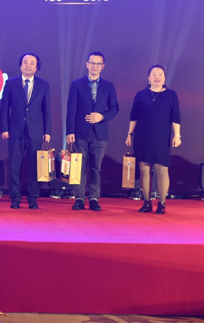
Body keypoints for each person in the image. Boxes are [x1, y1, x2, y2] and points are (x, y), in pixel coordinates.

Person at [66, 51, 119, 211]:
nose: (95, 66)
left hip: (100, 133)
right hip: (80, 132)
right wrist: (70, 131)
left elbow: (114, 108)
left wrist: (101, 117)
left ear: (103, 66)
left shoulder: (109, 86)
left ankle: (94, 198)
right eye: (92, 63)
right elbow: (71, 109)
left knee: (96, 168)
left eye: (98, 63)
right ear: (87, 65)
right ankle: (79, 198)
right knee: (79, 167)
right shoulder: (77, 84)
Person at [126, 65, 181, 215]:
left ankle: (162, 203)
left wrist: (177, 135)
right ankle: (147, 202)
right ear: (148, 77)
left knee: (162, 170)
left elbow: (176, 117)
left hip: (162, 137)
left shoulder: (171, 95)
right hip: (143, 136)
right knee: (144, 170)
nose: (157, 77)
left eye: (160, 74)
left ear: (164, 77)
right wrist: (129, 134)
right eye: (154, 74)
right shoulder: (141, 95)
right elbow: (134, 116)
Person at [0, 53, 51, 209]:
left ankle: (33, 198)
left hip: (36, 131)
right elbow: (4, 108)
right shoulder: (10, 83)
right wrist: (5, 128)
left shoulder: (43, 84)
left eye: (32, 63)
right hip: (15, 131)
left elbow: (47, 110)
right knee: (14, 166)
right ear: (20, 65)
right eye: (25, 62)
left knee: (34, 166)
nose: (28, 65)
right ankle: (15, 198)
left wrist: (47, 131)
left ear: (36, 67)